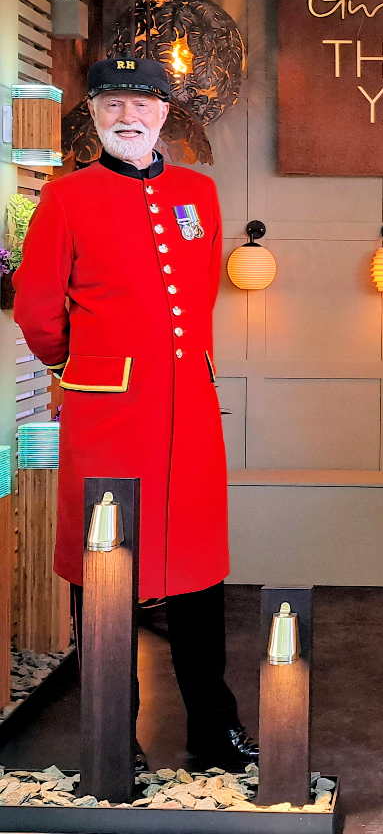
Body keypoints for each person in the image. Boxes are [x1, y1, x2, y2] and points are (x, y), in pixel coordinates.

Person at [13, 57, 257, 771]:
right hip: (108, 421)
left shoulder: (199, 196)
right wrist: (83, 372)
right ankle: (114, 741)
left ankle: (214, 733)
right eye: (112, 103)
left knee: (198, 575)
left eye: (141, 103)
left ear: (163, 114)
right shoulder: (66, 198)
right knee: (108, 577)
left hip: (189, 416)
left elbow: (201, 293)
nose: (128, 116)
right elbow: (36, 311)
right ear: (93, 114)